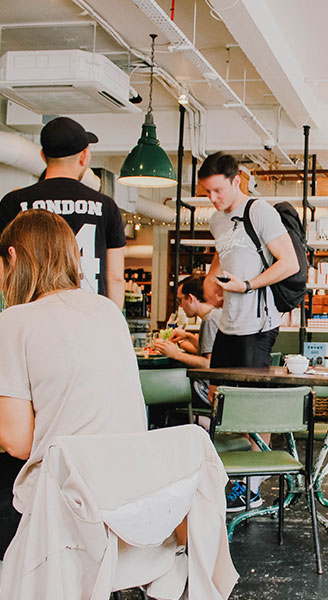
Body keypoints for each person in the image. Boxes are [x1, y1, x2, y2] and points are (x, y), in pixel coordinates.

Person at [0, 210, 146, 556]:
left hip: (67, 498)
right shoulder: (108, 311)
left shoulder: (14, 321)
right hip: (129, 493)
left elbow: (18, 443)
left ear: (13, 257)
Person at [0, 117, 126, 308]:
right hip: (89, 316)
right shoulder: (106, 206)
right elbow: (115, 277)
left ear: (43, 155)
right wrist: (113, 323)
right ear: (83, 156)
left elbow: (4, 268)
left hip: (32, 314)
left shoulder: (14, 202)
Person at [199, 152, 299, 368]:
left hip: (258, 325)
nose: (213, 198)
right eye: (208, 191)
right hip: (227, 324)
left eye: (218, 190)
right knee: (216, 393)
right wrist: (210, 279)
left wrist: (246, 286)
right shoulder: (216, 220)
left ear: (236, 181)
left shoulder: (259, 211)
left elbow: (290, 263)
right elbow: (224, 250)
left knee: (248, 397)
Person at [154, 274, 221, 409]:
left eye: (180, 301)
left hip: (206, 390)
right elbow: (216, 352)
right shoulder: (216, 314)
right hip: (219, 388)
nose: (181, 306)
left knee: (160, 389)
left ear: (190, 298)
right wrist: (188, 336)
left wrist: (176, 354)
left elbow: (209, 364)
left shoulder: (210, 321)